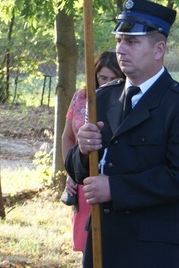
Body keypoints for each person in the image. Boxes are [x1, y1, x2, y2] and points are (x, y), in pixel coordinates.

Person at [65, 0, 179, 268]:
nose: (120, 49)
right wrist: (82, 152)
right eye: (119, 40)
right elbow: (78, 171)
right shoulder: (103, 98)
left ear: (158, 50)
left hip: (154, 251)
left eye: (131, 42)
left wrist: (115, 188)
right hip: (103, 242)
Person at [61, 51, 124, 252]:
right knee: (85, 242)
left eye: (113, 79)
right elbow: (68, 137)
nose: (106, 83)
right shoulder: (81, 97)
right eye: (102, 77)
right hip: (84, 176)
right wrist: (70, 173)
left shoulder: (124, 100)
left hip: (110, 180)